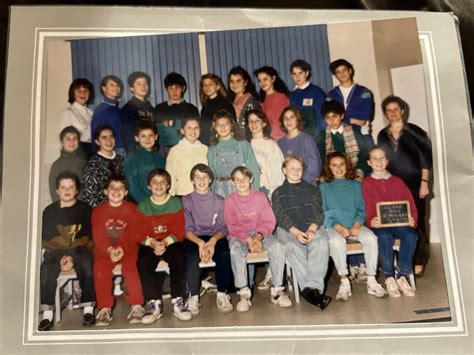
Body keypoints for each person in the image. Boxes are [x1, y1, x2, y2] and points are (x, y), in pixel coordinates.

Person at [377, 95, 433, 277]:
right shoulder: (382, 135)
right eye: (388, 110)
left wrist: (424, 183)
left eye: (395, 109)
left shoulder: (415, 132)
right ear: (385, 114)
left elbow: (426, 160)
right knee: (395, 221)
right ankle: (399, 260)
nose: (392, 113)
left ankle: (419, 260)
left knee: (417, 222)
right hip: (392, 185)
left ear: (402, 110)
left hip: (415, 183)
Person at [320, 152, 386, 301]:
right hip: (334, 227)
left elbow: (361, 208)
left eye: (342, 164)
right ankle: (344, 281)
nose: (338, 168)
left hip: (354, 225)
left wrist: (357, 223)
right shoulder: (324, 187)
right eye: (334, 165)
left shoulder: (356, 185)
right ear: (329, 168)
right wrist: (338, 227)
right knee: (336, 242)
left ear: (347, 166)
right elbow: (324, 211)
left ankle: (371, 280)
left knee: (370, 238)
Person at [224, 166, 292, 312]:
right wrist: (248, 239)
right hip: (240, 235)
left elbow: (269, 220)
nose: (241, 183)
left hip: (262, 233)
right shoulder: (229, 200)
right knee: (235, 250)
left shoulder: (260, 197)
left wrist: (260, 236)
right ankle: (243, 294)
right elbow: (233, 226)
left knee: (278, 247)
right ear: (233, 182)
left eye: (245, 179)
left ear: (251, 179)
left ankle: (277, 290)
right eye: (237, 180)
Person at [272, 155, 332, 310]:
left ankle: (311, 289)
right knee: (293, 246)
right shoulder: (278, 192)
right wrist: (297, 233)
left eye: (299, 168)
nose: (296, 171)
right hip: (289, 229)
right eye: (292, 168)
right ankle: (311, 291)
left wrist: (312, 230)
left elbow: (319, 212)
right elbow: (281, 216)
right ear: (284, 170)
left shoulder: (313, 189)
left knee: (321, 242)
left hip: (311, 226)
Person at [39, 172, 95, 331]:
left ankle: (88, 309)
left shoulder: (85, 209)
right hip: (55, 251)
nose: (67, 190)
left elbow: (87, 236)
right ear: (57, 190)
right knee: (47, 268)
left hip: (79, 249)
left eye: (71, 187)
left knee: (86, 264)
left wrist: (71, 255)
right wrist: (63, 255)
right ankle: (47, 314)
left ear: (77, 190)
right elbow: (48, 238)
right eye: (63, 187)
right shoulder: (49, 211)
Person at [92, 175, 149, 326]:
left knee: (130, 266)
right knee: (100, 267)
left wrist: (122, 248)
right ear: (105, 191)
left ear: (126, 192)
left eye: (120, 188)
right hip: (105, 249)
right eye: (112, 188)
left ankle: (137, 305)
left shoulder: (132, 209)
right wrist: (110, 249)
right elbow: (98, 235)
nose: (116, 191)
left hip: (127, 248)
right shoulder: (98, 211)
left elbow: (136, 232)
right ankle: (104, 308)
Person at [137, 169, 191, 323]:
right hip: (151, 242)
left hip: (171, 241)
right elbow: (139, 233)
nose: (159, 185)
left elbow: (180, 230)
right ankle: (154, 303)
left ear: (168, 185)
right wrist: (153, 242)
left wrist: (166, 242)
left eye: (162, 182)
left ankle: (178, 301)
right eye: (154, 182)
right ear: (149, 186)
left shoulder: (175, 202)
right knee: (142, 260)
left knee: (180, 257)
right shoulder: (143, 205)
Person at [362, 146, 418, 297]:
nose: (379, 161)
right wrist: (371, 220)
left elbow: (410, 203)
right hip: (379, 224)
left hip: (399, 222)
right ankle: (389, 277)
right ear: (369, 162)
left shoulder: (398, 182)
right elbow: (365, 206)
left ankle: (401, 276)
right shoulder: (366, 183)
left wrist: (412, 219)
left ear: (387, 161)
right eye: (375, 158)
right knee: (384, 237)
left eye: (382, 158)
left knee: (411, 235)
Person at [182, 164, 234, 314]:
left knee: (223, 252)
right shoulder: (187, 200)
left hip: (214, 236)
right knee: (190, 255)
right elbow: (187, 229)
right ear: (192, 180)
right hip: (194, 237)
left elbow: (224, 227)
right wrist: (200, 243)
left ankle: (222, 293)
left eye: (205, 177)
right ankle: (193, 296)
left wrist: (212, 241)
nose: (201, 180)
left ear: (210, 179)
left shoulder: (219, 200)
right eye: (197, 177)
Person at [207, 110, 260, 197]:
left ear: (231, 125)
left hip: (241, 190)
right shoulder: (211, 150)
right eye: (219, 125)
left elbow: (254, 170)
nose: (222, 127)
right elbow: (211, 175)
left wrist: (253, 194)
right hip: (219, 192)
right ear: (215, 127)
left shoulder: (243, 144)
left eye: (226, 124)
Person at [317, 100, 370, 179]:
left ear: (342, 116)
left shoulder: (354, 132)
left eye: (334, 116)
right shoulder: (322, 136)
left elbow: (364, 154)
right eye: (328, 117)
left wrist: (360, 170)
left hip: (354, 172)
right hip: (332, 175)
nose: (331, 121)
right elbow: (320, 159)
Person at [328, 59, 374, 146]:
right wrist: (352, 119)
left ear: (350, 71)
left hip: (361, 135)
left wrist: (340, 118)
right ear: (335, 75)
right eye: (338, 72)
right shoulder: (331, 95)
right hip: (339, 136)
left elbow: (365, 116)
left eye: (344, 70)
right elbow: (329, 117)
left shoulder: (364, 92)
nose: (342, 74)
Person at [154, 72, 200, 153]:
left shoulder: (191, 108)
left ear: (183, 88)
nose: (174, 91)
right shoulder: (159, 108)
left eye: (177, 87)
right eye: (171, 88)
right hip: (164, 150)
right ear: (166, 89)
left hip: (187, 149)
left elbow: (197, 130)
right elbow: (156, 132)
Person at [82, 124, 124, 207]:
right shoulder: (92, 165)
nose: (109, 141)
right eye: (104, 138)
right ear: (97, 142)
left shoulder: (122, 161)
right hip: (103, 211)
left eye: (111, 137)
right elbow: (90, 198)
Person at [277, 107, 322, 184]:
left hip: (306, 185)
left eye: (292, 117)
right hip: (287, 186)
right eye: (285, 118)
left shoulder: (307, 140)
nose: (288, 121)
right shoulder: (280, 143)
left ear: (297, 120)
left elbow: (315, 168)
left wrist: (300, 184)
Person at [246, 109, 284, 200]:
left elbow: (277, 171)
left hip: (265, 189)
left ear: (263, 123)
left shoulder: (271, 145)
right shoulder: (245, 144)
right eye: (250, 121)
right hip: (248, 189)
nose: (253, 123)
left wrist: (272, 193)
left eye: (257, 120)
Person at [124, 121, 165, 203]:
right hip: (142, 202)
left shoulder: (160, 157)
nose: (147, 139)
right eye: (143, 136)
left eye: (150, 135)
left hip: (160, 200)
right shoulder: (132, 158)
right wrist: (147, 203)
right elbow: (132, 187)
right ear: (136, 138)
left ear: (156, 137)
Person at [166, 116, 208, 196]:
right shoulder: (175, 150)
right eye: (189, 128)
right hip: (183, 194)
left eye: (196, 128)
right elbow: (170, 175)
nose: (193, 131)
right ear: (182, 131)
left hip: (203, 193)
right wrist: (171, 195)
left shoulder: (205, 149)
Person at [48, 126, 87, 202]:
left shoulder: (85, 164)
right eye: (68, 139)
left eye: (75, 139)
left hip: (83, 210)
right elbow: (54, 195)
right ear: (62, 142)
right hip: (63, 210)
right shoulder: (56, 166)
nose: (72, 142)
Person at [289, 59, 326, 135]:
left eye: (300, 73)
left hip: (315, 137)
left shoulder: (317, 92)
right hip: (299, 137)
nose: (297, 76)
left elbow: (321, 119)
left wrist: (319, 137)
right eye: (294, 74)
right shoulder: (292, 95)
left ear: (306, 73)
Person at [59, 78, 94, 158]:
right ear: (73, 93)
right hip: (77, 155)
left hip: (91, 153)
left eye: (86, 90)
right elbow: (63, 140)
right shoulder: (68, 113)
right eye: (79, 90)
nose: (83, 93)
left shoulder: (91, 113)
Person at [91, 75, 125, 156]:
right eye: (112, 85)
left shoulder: (117, 109)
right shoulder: (101, 110)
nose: (116, 88)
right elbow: (95, 135)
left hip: (121, 149)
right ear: (104, 88)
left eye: (117, 85)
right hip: (113, 150)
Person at [121, 71, 155, 153]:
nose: (143, 86)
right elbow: (127, 137)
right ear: (131, 88)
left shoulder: (151, 108)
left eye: (145, 83)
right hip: (138, 153)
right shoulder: (128, 109)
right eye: (139, 84)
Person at [254, 66, 290, 140]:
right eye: (259, 80)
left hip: (278, 140)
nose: (262, 83)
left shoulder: (280, 97)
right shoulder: (262, 100)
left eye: (265, 79)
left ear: (273, 78)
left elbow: (280, 124)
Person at [199, 73, 236, 145]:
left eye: (211, 84)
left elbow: (233, 125)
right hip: (208, 145)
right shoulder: (204, 108)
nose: (207, 87)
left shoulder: (225, 103)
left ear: (218, 86)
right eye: (205, 85)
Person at [227, 66, 261, 138]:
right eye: (232, 81)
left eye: (238, 81)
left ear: (245, 82)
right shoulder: (229, 100)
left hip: (248, 139)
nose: (235, 84)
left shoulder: (251, 100)